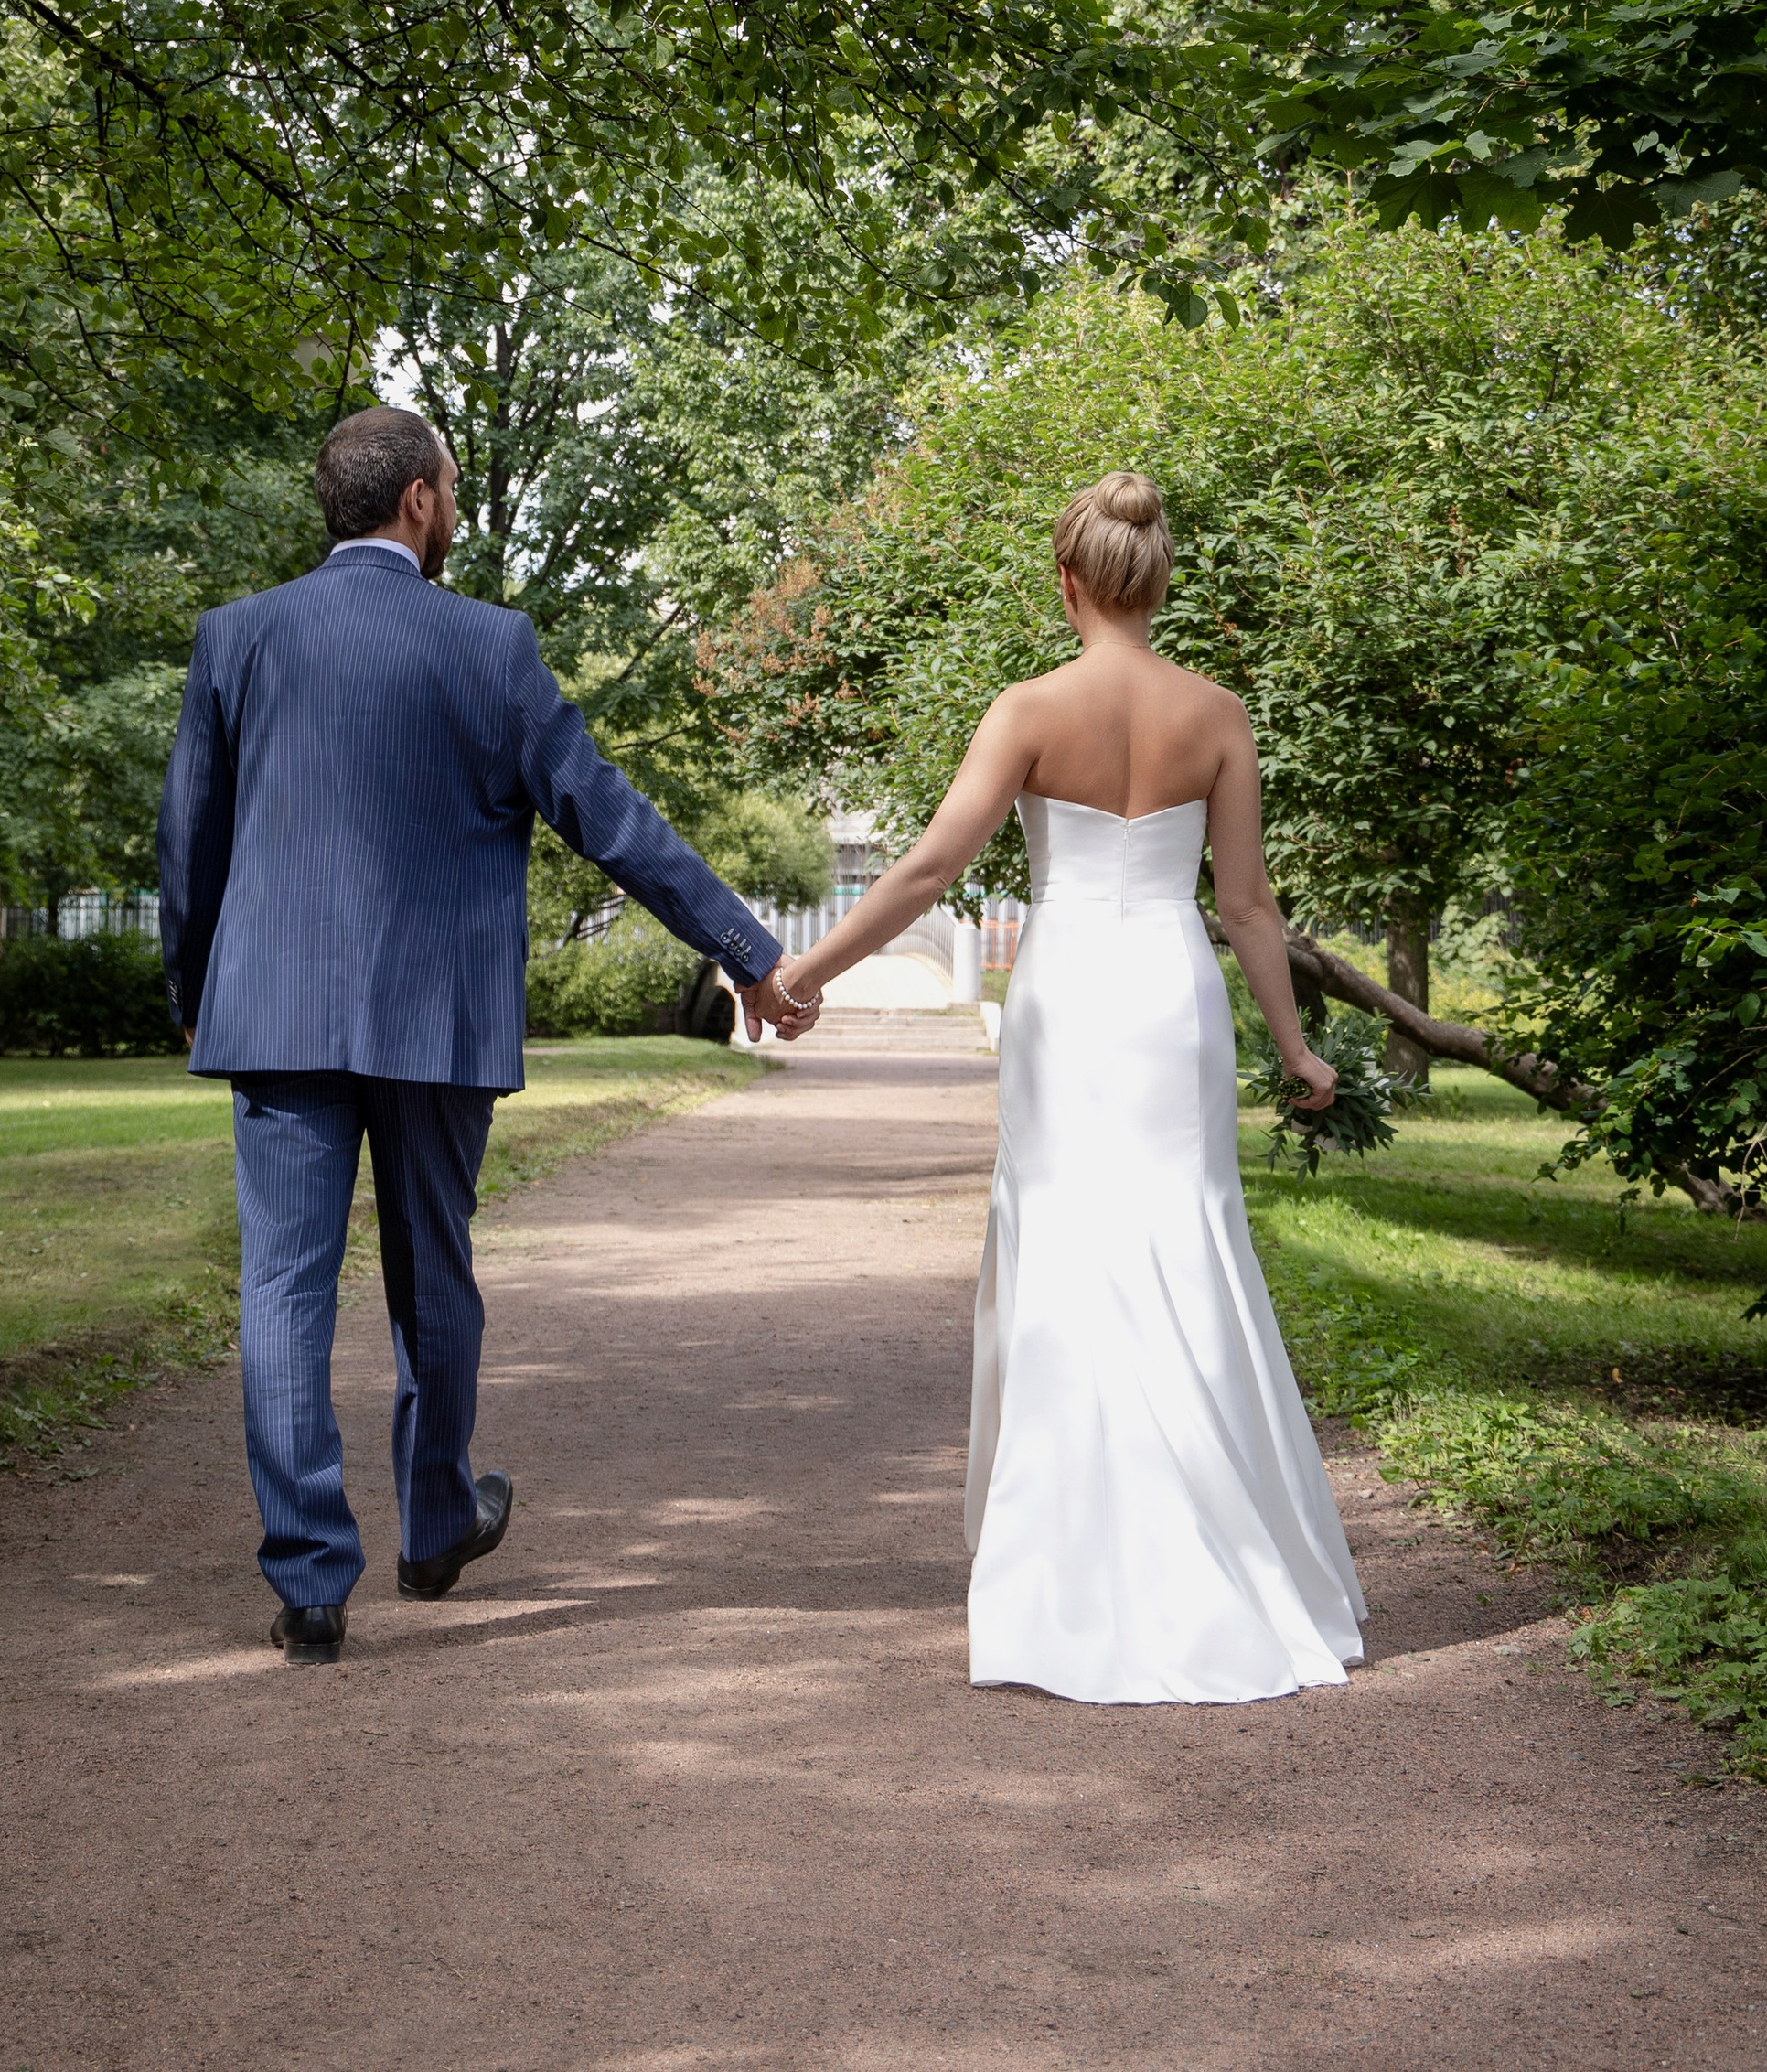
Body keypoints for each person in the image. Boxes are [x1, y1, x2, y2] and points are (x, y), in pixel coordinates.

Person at [157, 403, 814, 1666]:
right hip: (435, 1017)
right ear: (418, 499)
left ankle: (310, 1584)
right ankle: (436, 1524)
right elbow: (610, 818)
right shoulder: (491, 646)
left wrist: (195, 985)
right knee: (432, 1274)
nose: (453, 504)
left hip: (276, 1011)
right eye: (450, 486)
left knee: (283, 1288)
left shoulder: (238, 636)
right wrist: (748, 951)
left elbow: (190, 835)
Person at [770, 470, 1365, 1708]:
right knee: (1187, 1236)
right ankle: (1229, 1549)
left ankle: (1071, 1571)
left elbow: (929, 870)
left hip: (1071, 990)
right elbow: (1248, 907)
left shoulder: (1029, 709)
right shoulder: (1219, 715)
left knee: (1063, 1240)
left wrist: (804, 972)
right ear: (1157, 582)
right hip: (1173, 992)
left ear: (1069, 582)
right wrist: (1296, 1049)